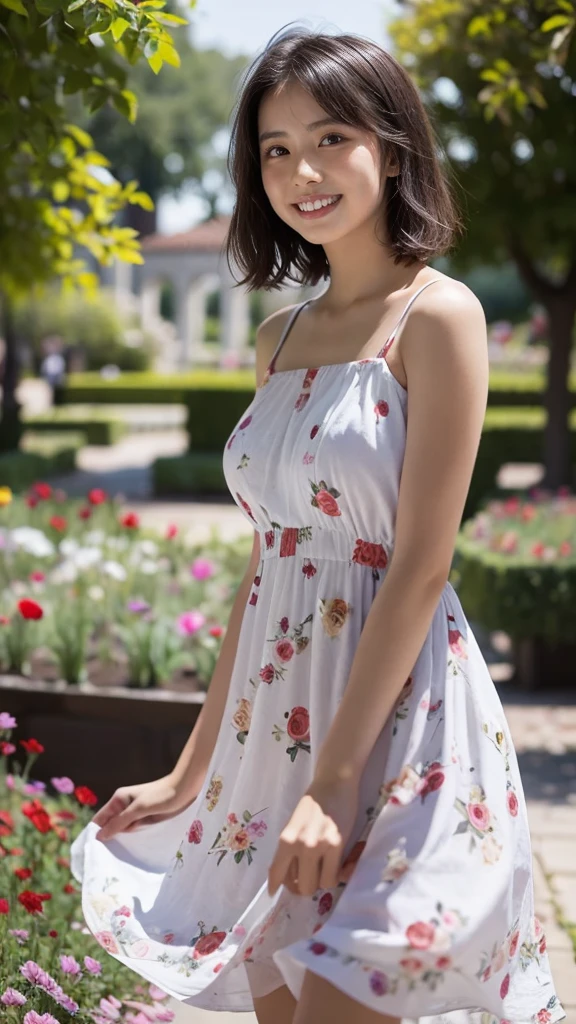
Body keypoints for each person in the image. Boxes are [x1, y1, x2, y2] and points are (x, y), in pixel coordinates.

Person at [70, 26, 566, 1024]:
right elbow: (268, 570)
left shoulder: (440, 315)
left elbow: (424, 562)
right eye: (276, 148)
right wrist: (191, 768)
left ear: (391, 144)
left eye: (331, 136)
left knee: (353, 992)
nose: (303, 170)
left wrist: (335, 784)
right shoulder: (278, 335)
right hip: (274, 726)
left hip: (401, 724)